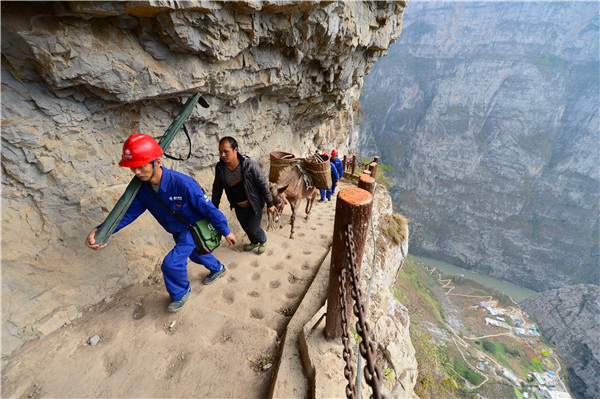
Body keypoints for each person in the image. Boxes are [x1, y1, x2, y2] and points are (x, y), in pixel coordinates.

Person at [86, 134, 236, 313]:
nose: (137, 173)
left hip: (193, 228)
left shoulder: (183, 184)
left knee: (171, 263)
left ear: (156, 162)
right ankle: (218, 268)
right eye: (133, 168)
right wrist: (102, 230)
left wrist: (226, 231)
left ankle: (180, 293)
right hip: (178, 230)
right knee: (196, 254)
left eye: (141, 166)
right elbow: (128, 213)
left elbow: (209, 209)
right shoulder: (143, 190)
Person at [212, 137, 275, 255]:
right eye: (220, 151)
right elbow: (217, 187)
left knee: (254, 229)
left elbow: (262, 184)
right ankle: (254, 241)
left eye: (226, 151)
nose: (223, 154)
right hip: (238, 205)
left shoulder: (249, 165)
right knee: (245, 227)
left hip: (254, 204)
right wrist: (214, 206)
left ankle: (262, 240)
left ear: (235, 150)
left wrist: (270, 203)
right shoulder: (220, 168)